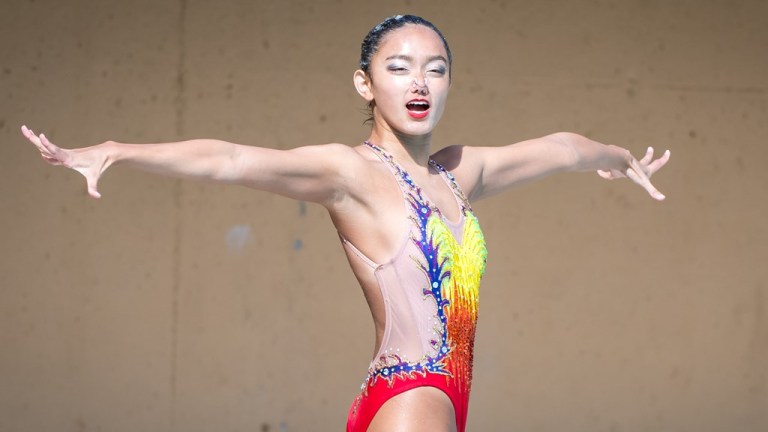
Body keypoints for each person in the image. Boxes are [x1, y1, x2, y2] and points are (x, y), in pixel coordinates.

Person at [21, 14, 669, 432]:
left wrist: (619, 160)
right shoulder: (349, 173)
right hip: (411, 394)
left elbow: (560, 147)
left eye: (435, 69)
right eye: (399, 67)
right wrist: (119, 151)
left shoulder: (458, 174)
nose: (420, 81)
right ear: (365, 85)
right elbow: (229, 159)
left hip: (437, 398)